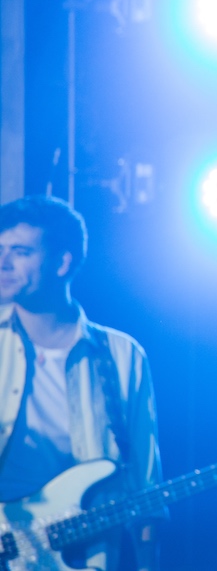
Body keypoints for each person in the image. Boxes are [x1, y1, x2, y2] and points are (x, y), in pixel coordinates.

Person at [0, 195, 162, 571]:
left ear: (62, 262)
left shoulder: (122, 354)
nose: (3, 262)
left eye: (20, 251)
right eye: (0, 249)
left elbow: (146, 485)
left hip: (88, 555)